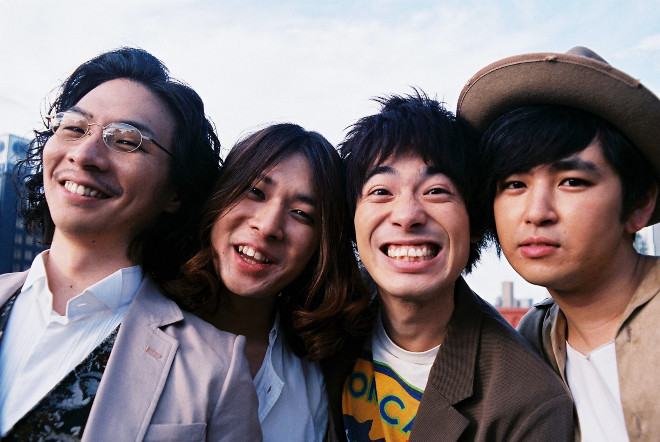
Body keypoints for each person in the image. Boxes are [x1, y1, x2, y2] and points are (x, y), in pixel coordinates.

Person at [0, 47, 261, 441]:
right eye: (74, 128)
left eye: (126, 141)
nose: (84, 155)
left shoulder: (214, 370)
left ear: (176, 191)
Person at [326, 91, 574, 441]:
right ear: (351, 220)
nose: (407, 215)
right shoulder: (322, 321)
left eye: (436, 191)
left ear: (475, 224)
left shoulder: (527, 403)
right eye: (381, 191)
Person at [457, 47, 660, 441]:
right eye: (514, 184)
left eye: (572, 182)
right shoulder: (533, 339)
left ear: (639, 203)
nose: (537, 212)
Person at [164, 123, 372, 441]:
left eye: (301, 213)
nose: (269, 226)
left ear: (321, 245)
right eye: (256, 193)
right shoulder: (136, 318)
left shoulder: (320, 373)